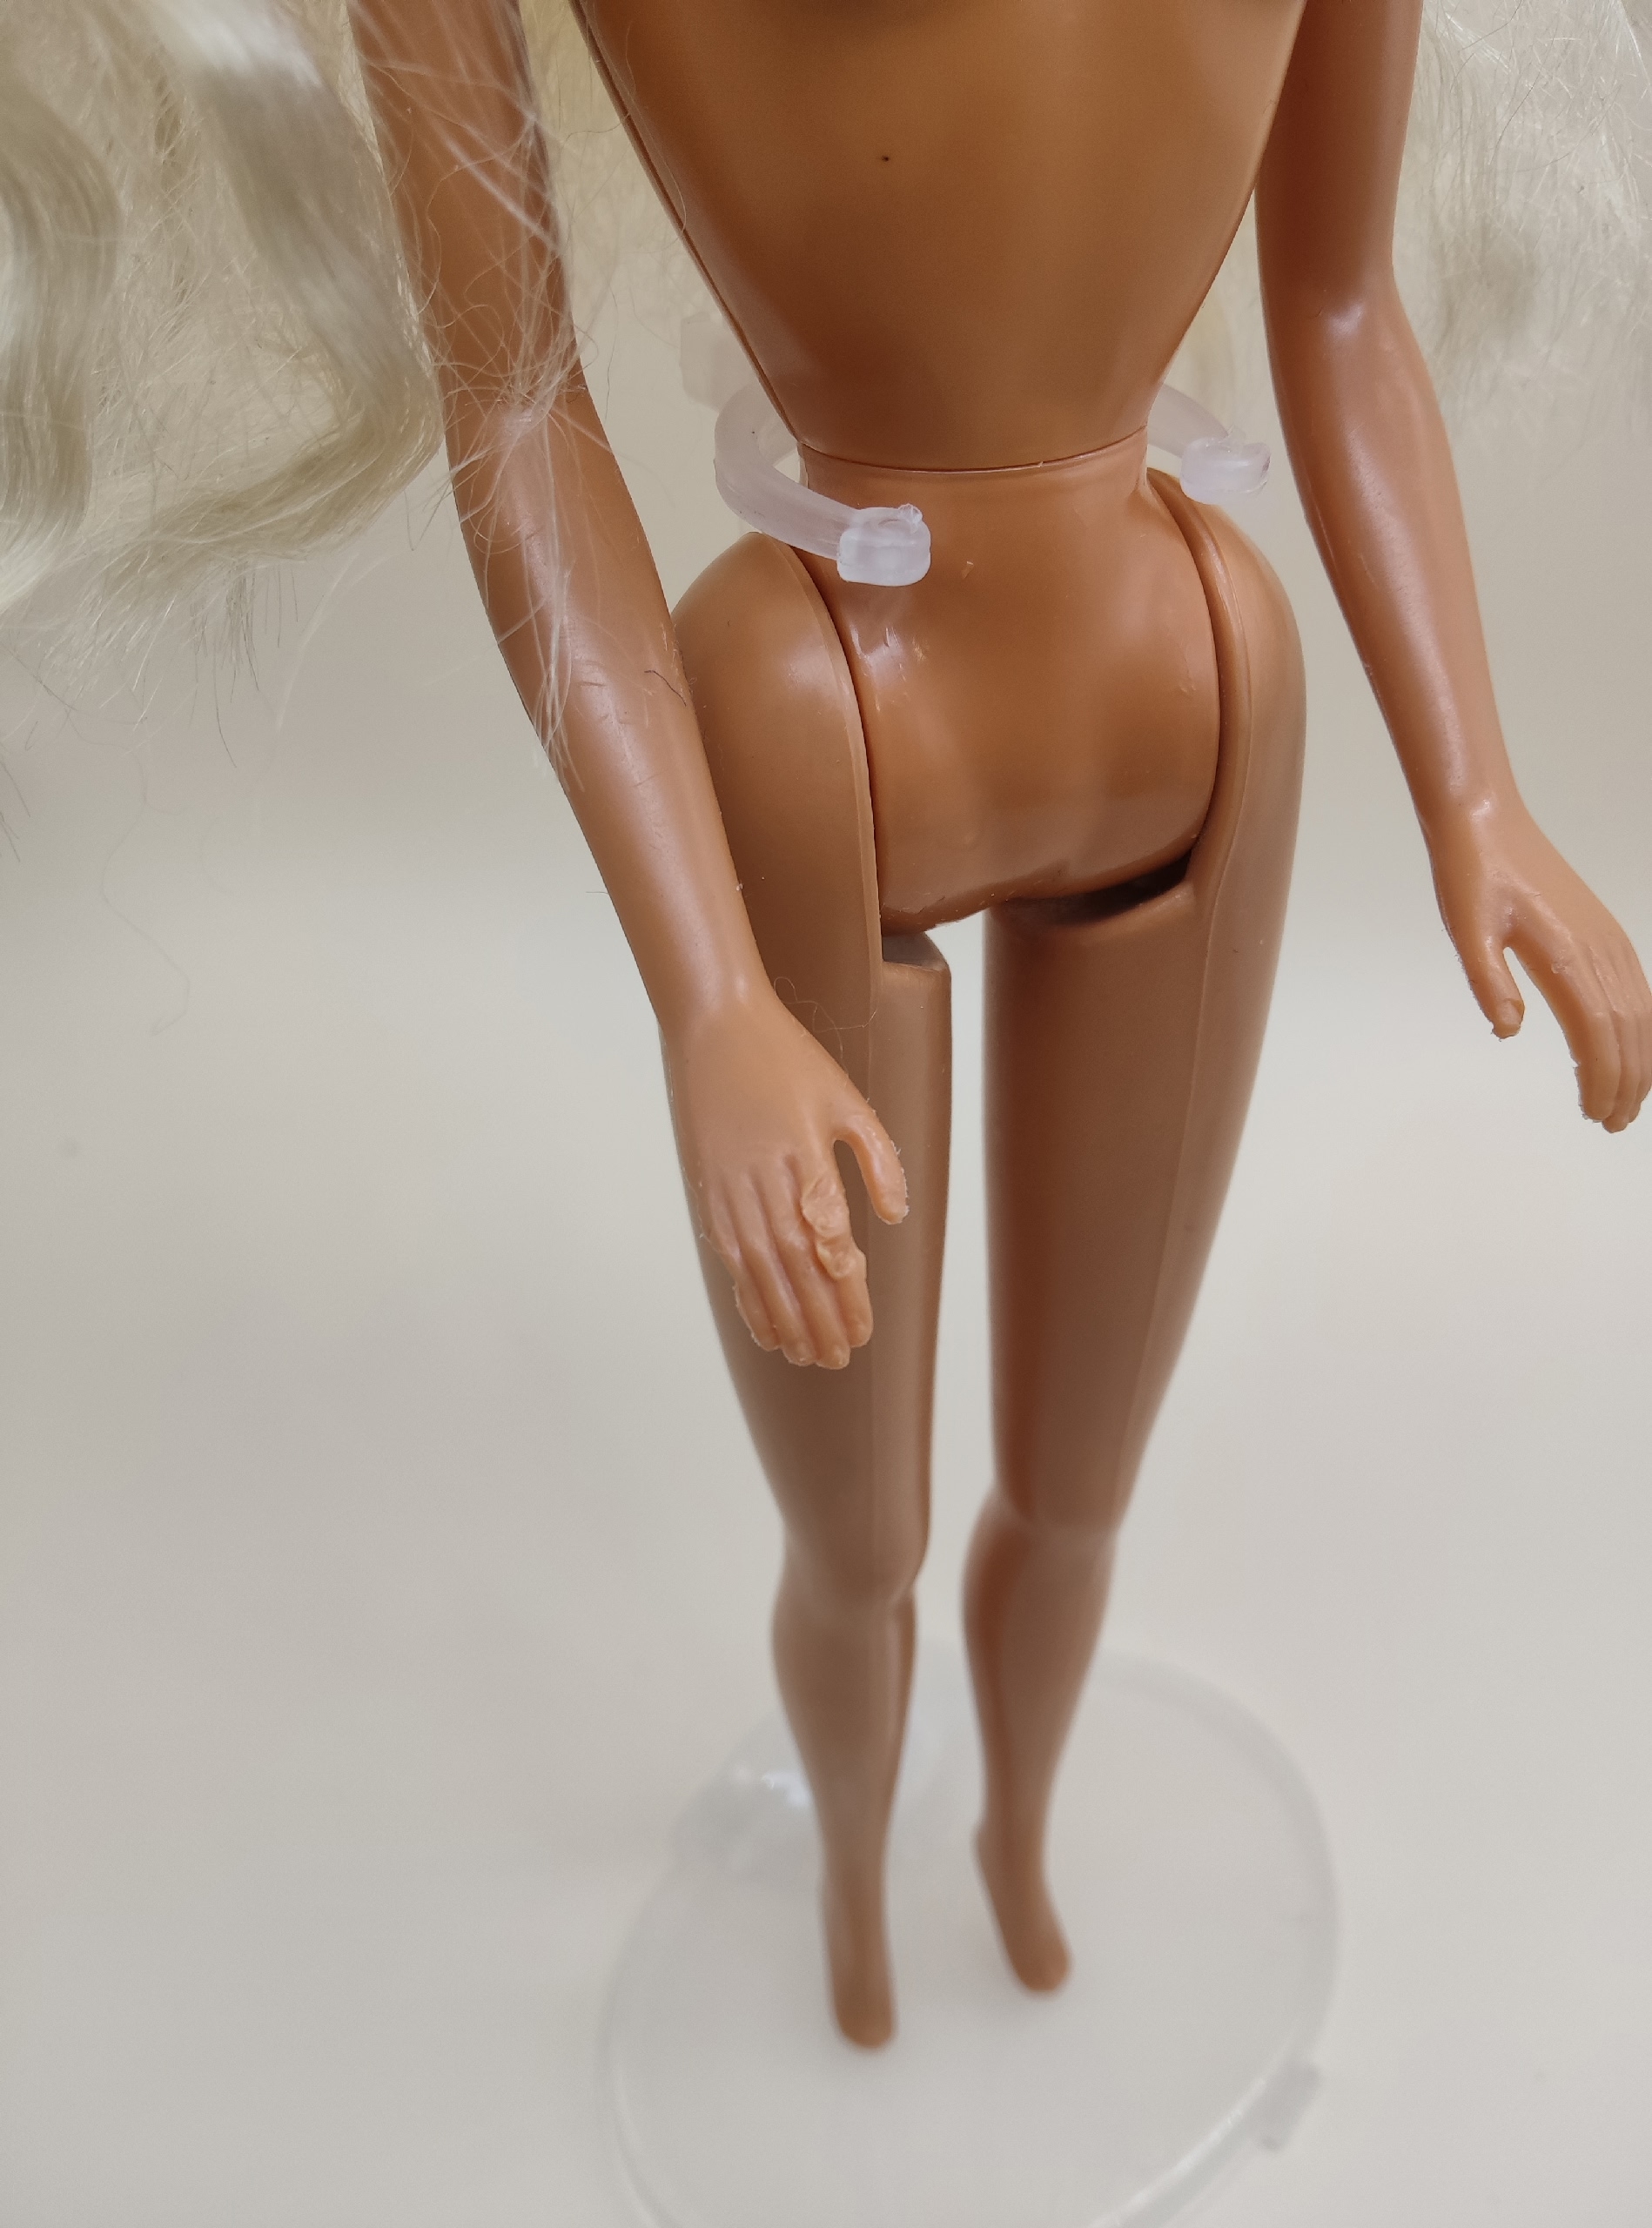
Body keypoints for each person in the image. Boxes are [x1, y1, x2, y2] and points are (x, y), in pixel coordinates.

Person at [6, 0, 1650, 2050]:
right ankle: (859, 1904)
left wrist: (1477, 791)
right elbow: (516, 420)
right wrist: (706, 995)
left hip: (1197, 678)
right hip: (820, 724)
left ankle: (1019, 1854)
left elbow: (1337, 308)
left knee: (1077, 1483)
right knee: (854, 1539)